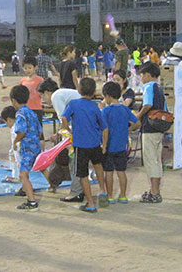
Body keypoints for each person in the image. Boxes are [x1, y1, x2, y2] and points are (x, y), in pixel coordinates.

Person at [61, 77, 109, 212]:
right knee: (98, 166)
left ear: (79, 90)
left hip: (80, 145)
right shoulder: (95, 107)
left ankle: (91, 203)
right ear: (94, 92)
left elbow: (64, 117)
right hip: (95, 143)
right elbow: (104, 128)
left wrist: (68, 130)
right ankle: (102, 189)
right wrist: (104, 145)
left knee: (83, 174)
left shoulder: (73, 104)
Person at [37, 78, 84, 202]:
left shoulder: (56, 96)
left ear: (48, 92)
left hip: (77, 128)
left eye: (42, 96)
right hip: (80, 125)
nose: (43, 100)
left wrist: (60, 135)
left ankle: (76, 191)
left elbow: (63, 119)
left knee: (72, 160)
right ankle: (76, 188)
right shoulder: (63, 93)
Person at [130, 62, 166, 203]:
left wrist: (138, 116)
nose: (141, 78)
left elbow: (148, 104)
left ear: (147, 75)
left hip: (150, 128)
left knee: (150, 160)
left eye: (142, 75)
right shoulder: (159, 87)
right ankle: (155, 190)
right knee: (157, 159)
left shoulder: (148, 86)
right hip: (159, 127)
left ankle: (154, 193)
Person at [101, 81, 137, 203]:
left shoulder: (106, 111)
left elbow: (105, 129)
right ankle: (123, 195)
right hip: (122, 146)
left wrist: (104, 145)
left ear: (107, 96)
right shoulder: (125, 109)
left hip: (109, 146)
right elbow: (137, 122)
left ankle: (110, 196)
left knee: (109, 172)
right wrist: (128, 130)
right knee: (121, 172)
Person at [9, 85, 42, 211]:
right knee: (41, 167)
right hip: (36, 146)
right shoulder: (32, 113)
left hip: (28, 149)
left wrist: (15, 141)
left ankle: (31, 201)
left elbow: (21, 131)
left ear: (13, 101)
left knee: (23, 174)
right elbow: (40, 131)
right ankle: (52, 184)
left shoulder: (20, 114)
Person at [19, 56, 44, 124]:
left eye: (30, 68)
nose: (27, 70)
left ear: (35, 67)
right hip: (25, 109)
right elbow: (19, 94)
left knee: (37, 127)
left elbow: (43, 93)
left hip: (37, 108)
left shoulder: (40, 80)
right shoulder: (22, 81)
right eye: (25, 68)